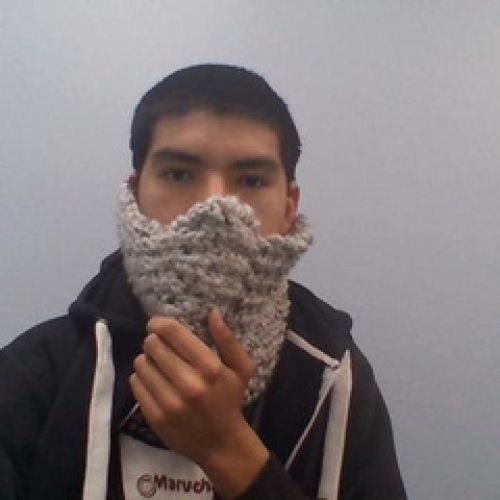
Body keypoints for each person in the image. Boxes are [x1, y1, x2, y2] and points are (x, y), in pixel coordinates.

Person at [0, 64, 406, 499]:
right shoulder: (33, 375)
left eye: (251, 180)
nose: (215, 207)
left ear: (289, 207)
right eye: (178, 174)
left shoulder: (335, 376)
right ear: (135, 193)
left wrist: (230, 452)